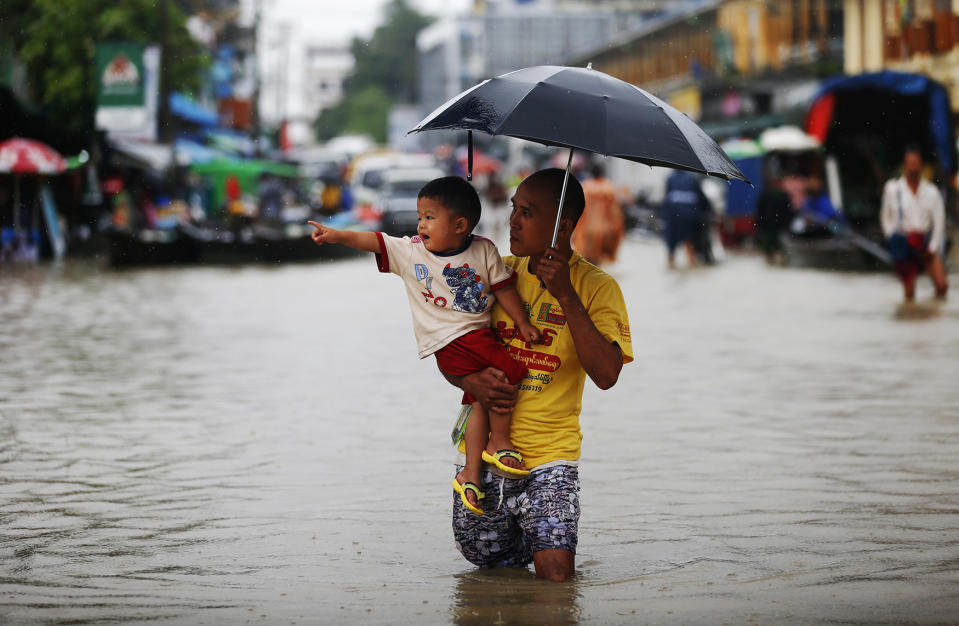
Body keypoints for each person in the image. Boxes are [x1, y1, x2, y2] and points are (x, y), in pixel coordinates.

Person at [307, 176, 541, 515]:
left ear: (460, 225)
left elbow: (504, 289)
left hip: (477, 337)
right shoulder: (412, 251)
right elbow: (375, 240)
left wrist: (523, 323)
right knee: (511, 371)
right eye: (420, 216)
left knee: (479, 398)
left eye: (430, 217)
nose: (421, 224)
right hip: (450, 342)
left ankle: (470, 473)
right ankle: (499, 442)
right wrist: (336, 235)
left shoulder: (484, 250)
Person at [443, 168, 633, 581]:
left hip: (552, 457)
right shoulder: (494, 274)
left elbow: (606, 374)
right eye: (513, 208)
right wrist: (468, 382)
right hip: (486, 456)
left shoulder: (597, 287)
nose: (512, 221)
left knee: (556, 577)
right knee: (492, 574)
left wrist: (565, 293)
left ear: (562, 225)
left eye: (526, 212)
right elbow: (448, 348)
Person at [880, 146, 949, 302]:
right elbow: (886, 216)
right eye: (910, 163)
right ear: (904, 166)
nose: (913, 167)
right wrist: (891, 236)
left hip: (924, 243)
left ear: (921, 166)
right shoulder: (893, 189)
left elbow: (939, 222)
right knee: (909, 294)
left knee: (941, 285)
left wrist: (933, 247)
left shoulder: (932, 192)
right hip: (903, 243)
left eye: (916, 163)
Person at [572, 164, 624, 265]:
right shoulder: (608, 188)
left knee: (587, 259)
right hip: (606, 229)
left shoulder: (586, 187)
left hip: (586, 228)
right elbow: (615, 211)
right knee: (599, 260)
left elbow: (579, 207)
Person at [660, 169, 710, 268]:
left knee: (671, 240)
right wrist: (706, 209)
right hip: (689, 215)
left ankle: (671, 261)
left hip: (673, 215)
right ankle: (691, 262)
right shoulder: (693, 178)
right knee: (689, 239)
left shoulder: (670, 178)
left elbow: (666, 197)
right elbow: (702, 198)